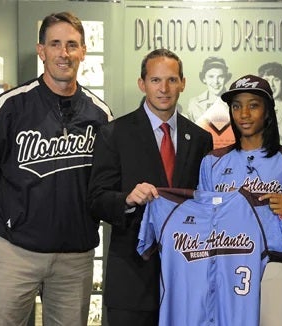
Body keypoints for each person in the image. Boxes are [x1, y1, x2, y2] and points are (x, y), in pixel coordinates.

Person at [0, 12, 112, 325]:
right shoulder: (9, 106)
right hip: (14, 253)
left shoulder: (100, 115)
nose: (64, 53)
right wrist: (3, 226)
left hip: (74, 258)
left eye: (72, 45)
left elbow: (104, 184)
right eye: (55, 44)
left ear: (83, 51)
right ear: (41, 50)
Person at [87, 48, 213, 326]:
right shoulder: (114, 133)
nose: (164, 88)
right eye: (156, 80)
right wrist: (127, 200)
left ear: (183, 83)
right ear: (142, 84)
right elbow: (96, 199)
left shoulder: (201, 139)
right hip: (132, 281)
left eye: (171, 80)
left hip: (187, 278)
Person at [197, 74, 282, 326]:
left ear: (268, 112)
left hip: (275, 264)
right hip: (226, 265)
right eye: (236, 106)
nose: (244, 114)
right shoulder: (212, 161)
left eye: (253, 105)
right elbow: (202, 223)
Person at [184, 56, 232, 122]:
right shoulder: (194, 103)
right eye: (211, 76)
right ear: (204, 79)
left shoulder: (234, 101)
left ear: (226, 78)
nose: (216, 82)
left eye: (220, 77)